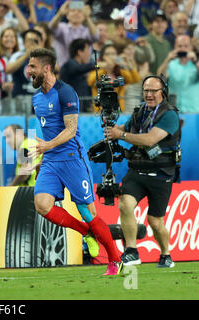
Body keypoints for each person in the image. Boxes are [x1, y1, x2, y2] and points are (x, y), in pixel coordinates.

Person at [27, 48, 123, 276]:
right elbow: (48, 131)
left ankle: (115, 259)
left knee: (88, 213)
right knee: (42, 205)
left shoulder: (65, 92)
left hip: (72, 159)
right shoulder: (36, 97)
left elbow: (71, 130)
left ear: (46, 67)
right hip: (51, 160)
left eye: (33, 67)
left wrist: (47, 146)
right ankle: (85, 232)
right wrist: (45, 152)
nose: (28, 71)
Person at [105, 75, 181, 268]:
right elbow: (127, 128)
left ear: (162, 92)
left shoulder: (170, 114)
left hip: (161, 173)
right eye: (146, 91)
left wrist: (120, 135)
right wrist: (112, 128)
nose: (148, 95)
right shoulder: (140, 110)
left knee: (155, 221)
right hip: (138, 170)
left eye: (153, 91)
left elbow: (149, 140)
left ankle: (166, 254)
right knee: (125, 204)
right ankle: (131, 251)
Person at [87, 43, 140, 112]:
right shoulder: (98, 71)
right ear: (103, 56)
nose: (111, 56)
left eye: (113, 54)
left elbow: (136, 79)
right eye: (107, 54)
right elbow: (90, 81)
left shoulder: (120, 72)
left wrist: (129, 63)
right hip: (100, 109)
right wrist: (105, 67)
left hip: (118, 109)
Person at [48, 0, 98, 68]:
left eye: (80, 11)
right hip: (64, 71)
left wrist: (88, 17)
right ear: (67, 15)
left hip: (83, 72)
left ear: (83, 16)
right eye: (73, 10)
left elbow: (96, 37)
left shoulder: (87, 30)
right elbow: (51, 28)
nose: (76, 13)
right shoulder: (62, 27)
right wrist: (60, 13)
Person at [157, 34, 199, 112]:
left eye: (186, 46)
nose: (182, 48)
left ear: (191, 47)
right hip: (174, 110)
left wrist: (195, 61)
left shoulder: (196, 63)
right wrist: (167, 60)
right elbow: (159, 78)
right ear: (175, 47)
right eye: (180, 46)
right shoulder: (171, 64)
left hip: (194, 110)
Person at [60, 38, 94, 113]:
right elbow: (78, 69)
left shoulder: (80, 69)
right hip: (69, 110)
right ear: (79, 52)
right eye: (87, 50)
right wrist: (96, 65)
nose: (89, 54)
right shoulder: (70, 64)